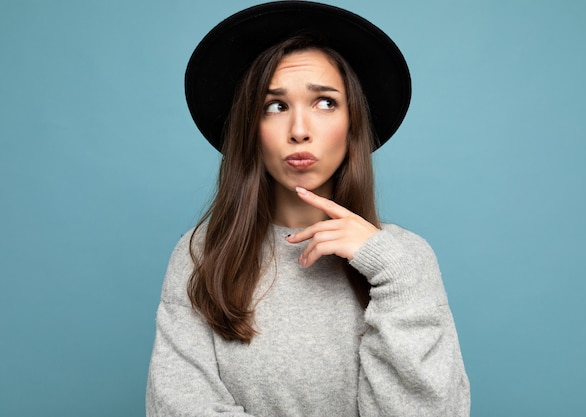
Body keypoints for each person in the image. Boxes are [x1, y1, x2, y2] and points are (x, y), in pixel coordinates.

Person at [146, 2, 470, 416]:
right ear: (251, 127)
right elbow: (178, 406)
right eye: (275, 106)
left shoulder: (406, 259)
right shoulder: (202, 253)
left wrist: (388, 266)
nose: (300, 131)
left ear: (353, 123)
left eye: (325, 103)